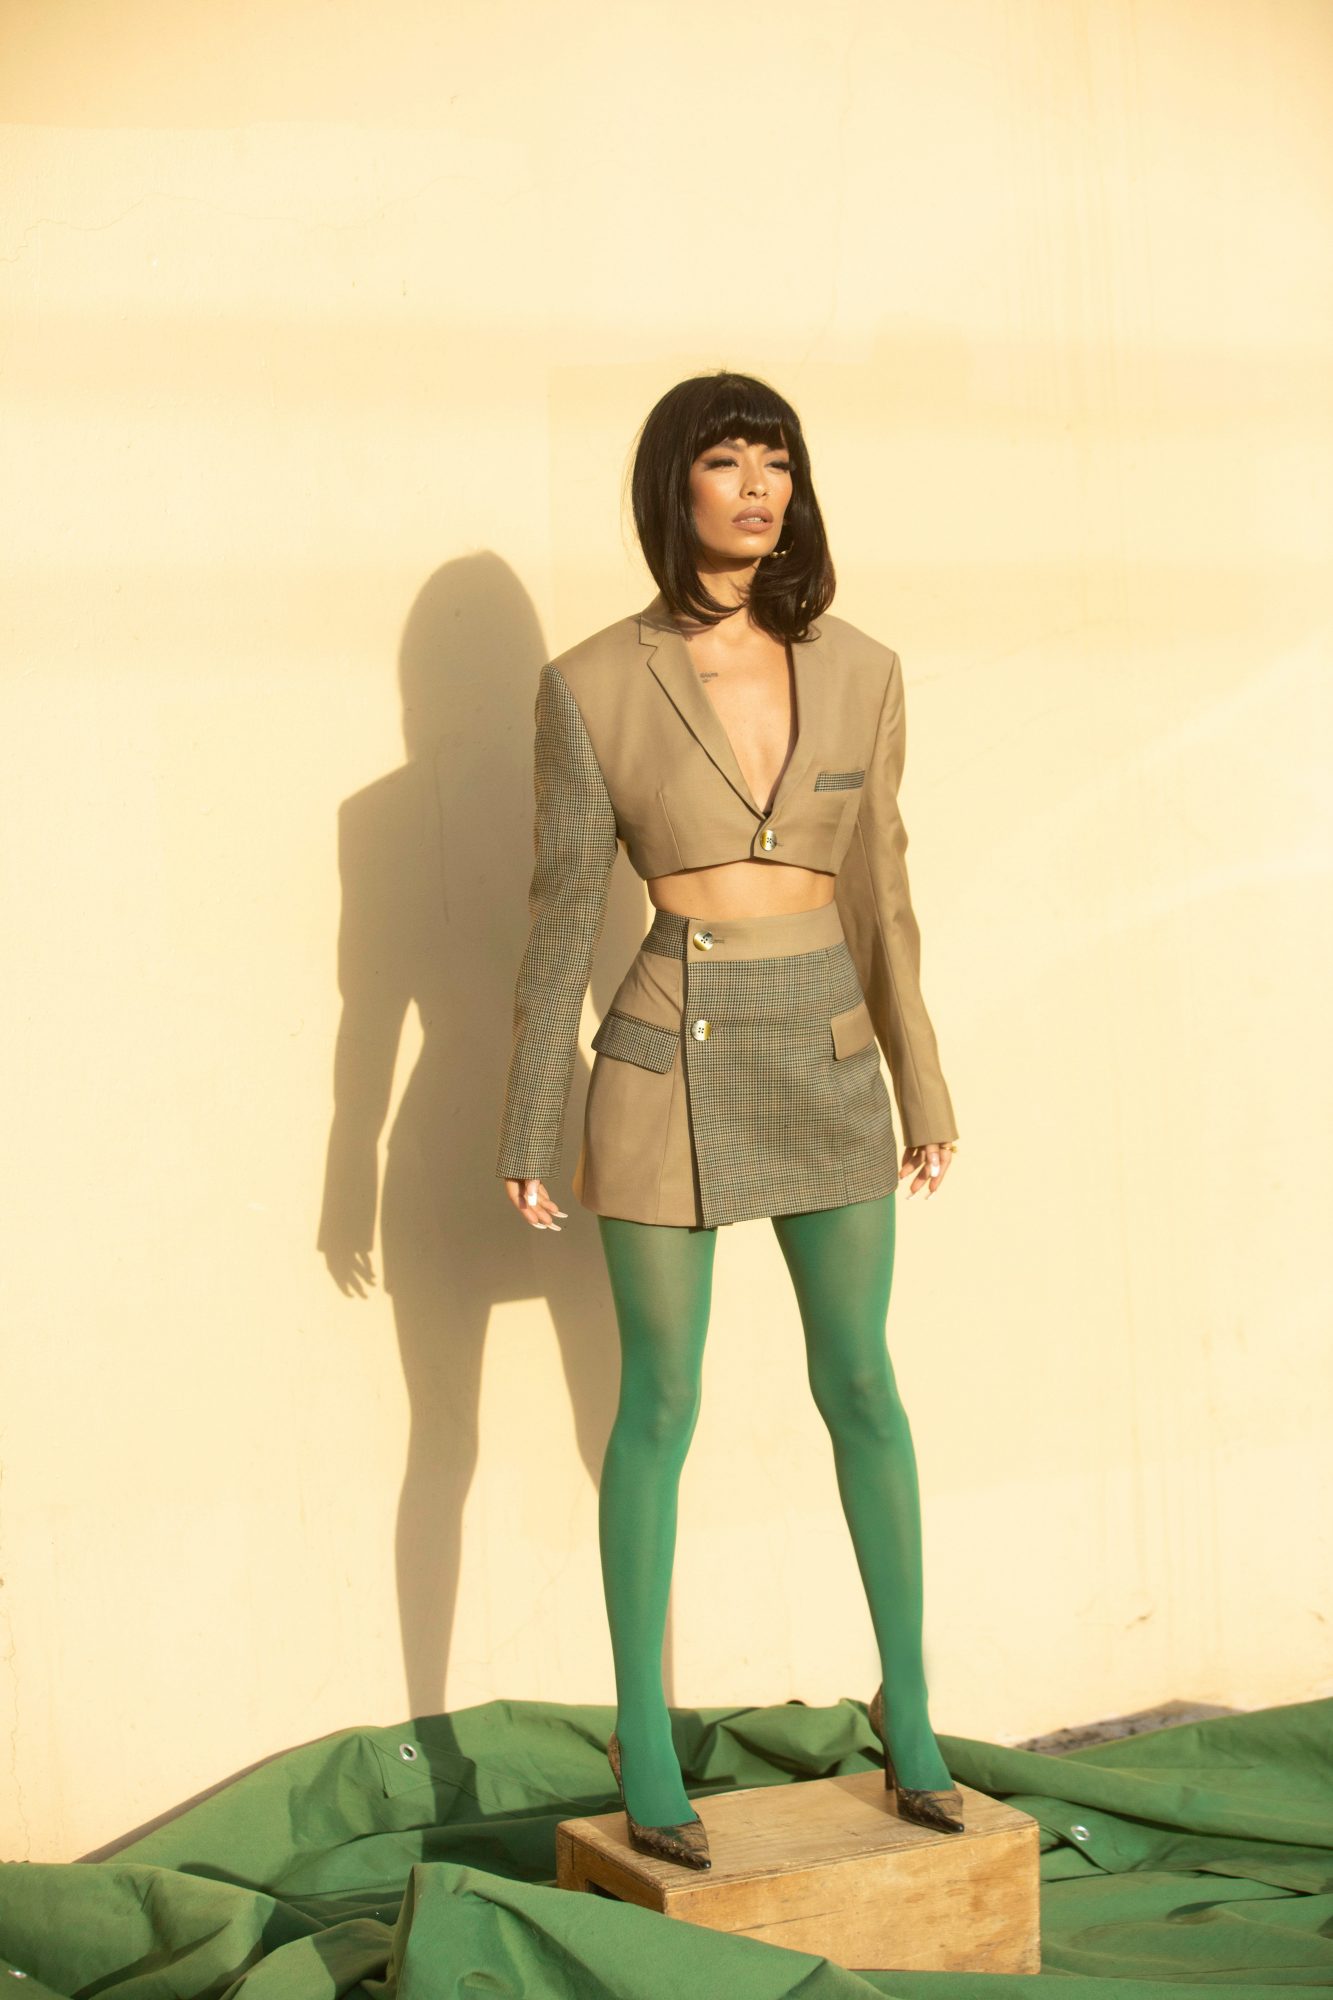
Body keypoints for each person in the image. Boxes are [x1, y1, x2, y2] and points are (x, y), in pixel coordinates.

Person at [496, 370, 963, 1869]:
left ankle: (912, 1712)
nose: (757, 488)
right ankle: (642, 1736)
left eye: (776, 461)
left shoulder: (863, 667)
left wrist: (921, 1082)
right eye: (725, 462)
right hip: (660, 1052)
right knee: (658, 1404)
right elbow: (562, 913)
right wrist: (530, 1120)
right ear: (673, 486)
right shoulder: (589, 681)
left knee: (864, 1385)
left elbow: (881, 890)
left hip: (824, 1047)